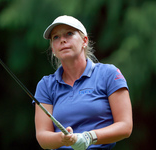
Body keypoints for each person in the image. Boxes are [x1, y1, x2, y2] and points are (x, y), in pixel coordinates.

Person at [33, 15, 133, 150]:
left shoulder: (109, 74)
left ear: (84, 41)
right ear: (53, 49)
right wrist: (63, 139)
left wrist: (89, 137)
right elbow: (42, 137)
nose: (62, 40)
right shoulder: (46, 85)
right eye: (55, 37)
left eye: (69, 34)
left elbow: (125, 126)